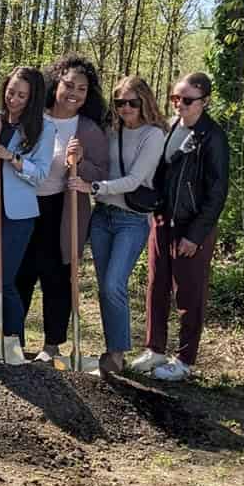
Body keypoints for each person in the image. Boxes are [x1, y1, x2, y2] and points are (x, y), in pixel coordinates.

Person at [128, 72, 229, 381]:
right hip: (162, 222)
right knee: (156, 287)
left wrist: (196, 235)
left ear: (205, 101)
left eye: (187, 100)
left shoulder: (213, 136)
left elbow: (217, 191)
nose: (179, 104)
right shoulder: (169, 128)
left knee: (189, 294)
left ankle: (184, 360)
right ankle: (154, 349)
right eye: (175, 98)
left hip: (190, 228)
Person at [70, 75, 168, 374]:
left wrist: (93, 187)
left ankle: (117, 353)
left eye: (132, 102)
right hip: (103, 216)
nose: (125, 108)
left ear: (144, 102)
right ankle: (113, 353)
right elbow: (101, 164)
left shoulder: (153, 135)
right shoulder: (111, 131)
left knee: (114, 284)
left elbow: (135, 180)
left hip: (132, 220)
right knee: (104, 287)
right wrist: (82, 159)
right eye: (120, 103)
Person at [15, 54, 109, 362]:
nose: (74, 93)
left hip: (62, 209)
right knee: (21, 273)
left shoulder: (89, 130)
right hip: (26, 204)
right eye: (69, 85)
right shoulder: (34, 117)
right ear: (56, 83)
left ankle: (51, 345)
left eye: (82, 89)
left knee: (57, 276)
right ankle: (12, 340)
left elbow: (101, 172)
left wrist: (81, 161)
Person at [0, 65, 53, 356]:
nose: (13, 100)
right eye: (10, 92)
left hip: (17, 214)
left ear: (32, 99)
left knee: (4, 279)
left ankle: (14, 341)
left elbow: (40, 174)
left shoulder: (43, 128)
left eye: (21, 96)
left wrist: (12, 158)